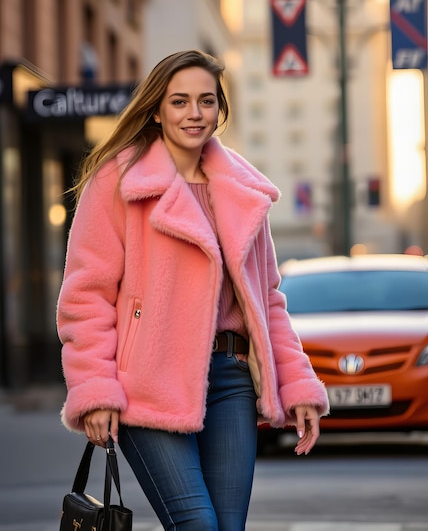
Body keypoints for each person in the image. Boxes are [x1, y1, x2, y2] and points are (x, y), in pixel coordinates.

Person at [57, 49, 329, 531]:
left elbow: (266, 301)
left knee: (227, 526)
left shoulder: (243, 191)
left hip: (231, 378)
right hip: (147, 379)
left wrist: (298, 383)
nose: (194, 113)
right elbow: (87, 296)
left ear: (219, 109)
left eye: (206, 101)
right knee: (197, 524)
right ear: (157, 108)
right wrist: (96, 389)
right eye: (179, 101)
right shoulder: (118, 182)